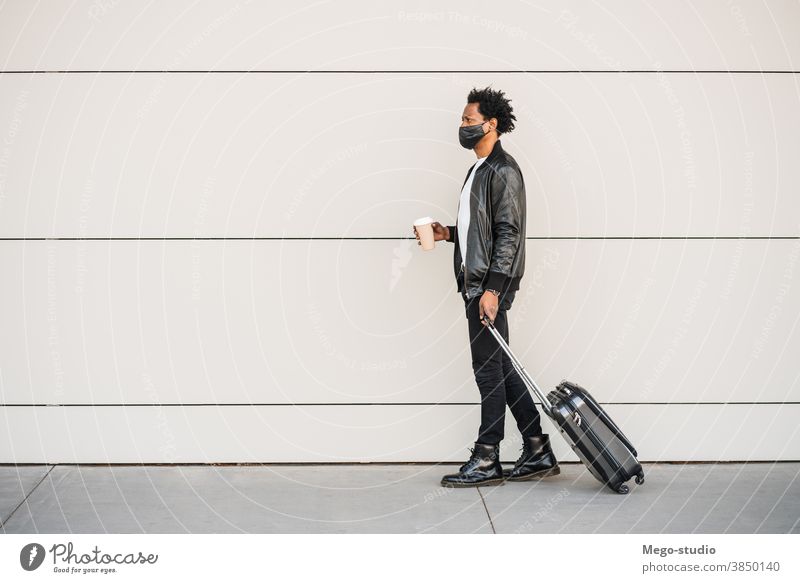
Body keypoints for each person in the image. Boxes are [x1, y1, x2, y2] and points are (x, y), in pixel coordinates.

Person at [414, 87, 559, 487]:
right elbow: (484, 230)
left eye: (466, 119)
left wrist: (493, 289)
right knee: (501, 367)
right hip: (478, 281)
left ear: (489, 124)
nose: (461, 126)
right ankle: (536, 449)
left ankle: (487, 457)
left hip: (487, 286)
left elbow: (509, 233)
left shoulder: (504, 170)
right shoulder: (478, 169)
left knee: (487, 370)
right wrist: (449, 234)